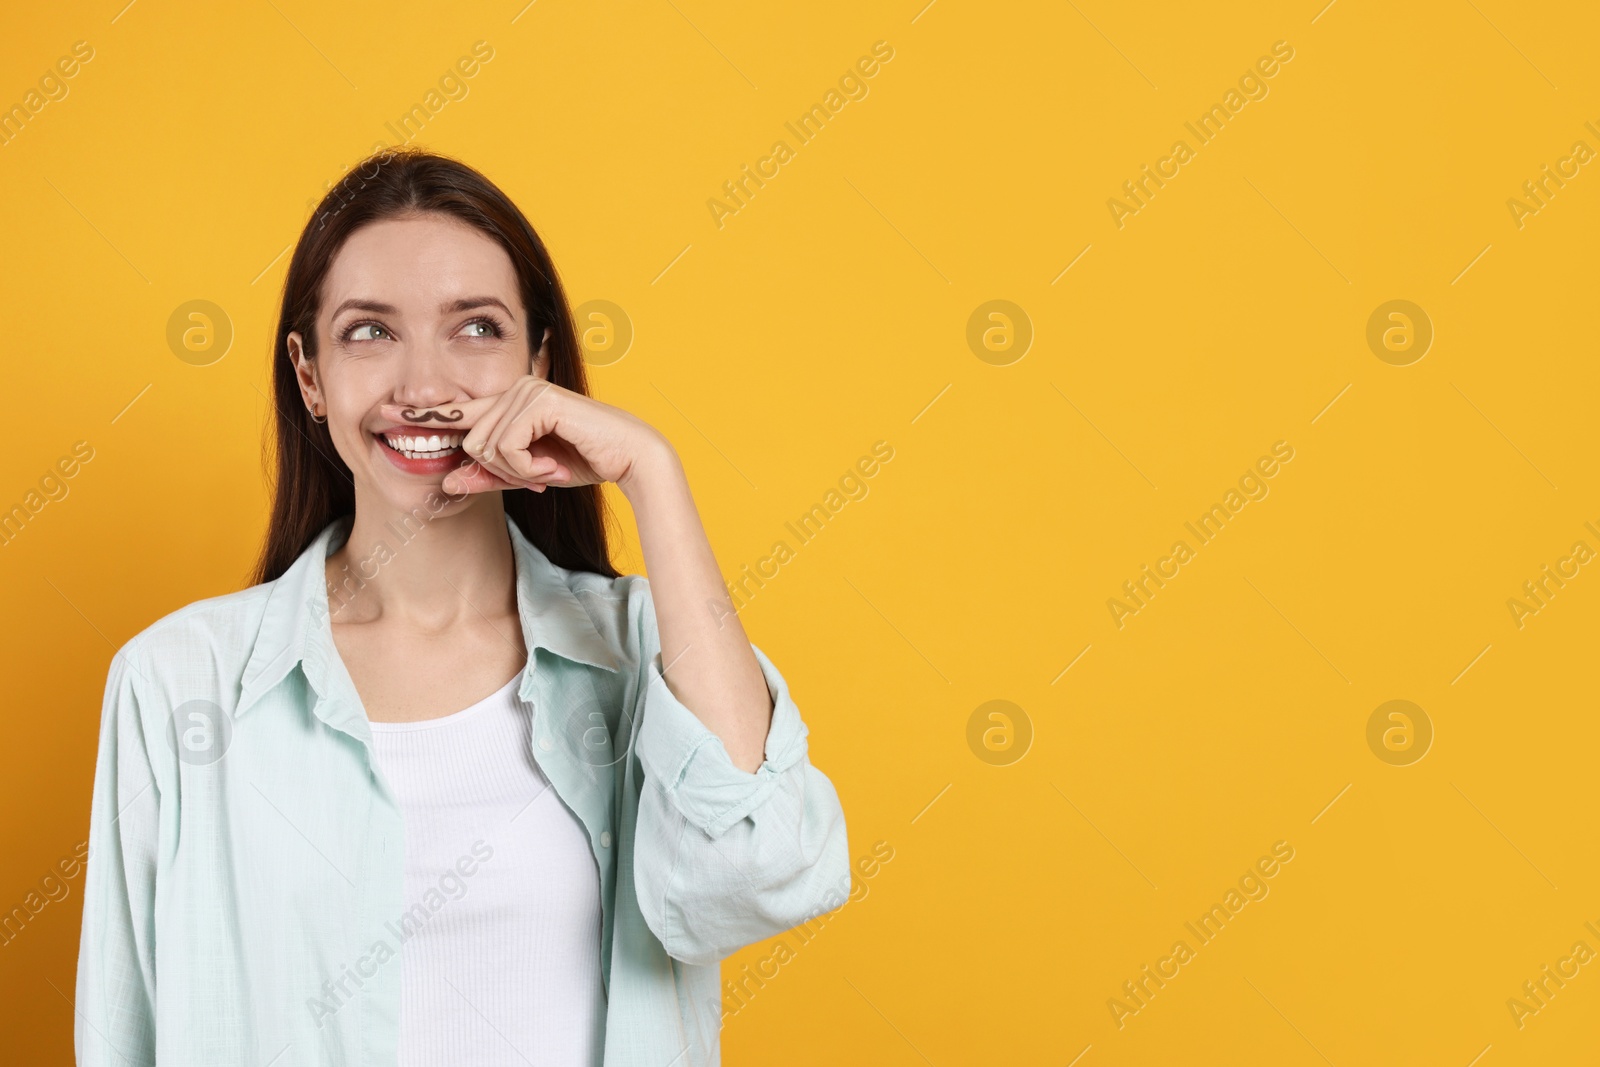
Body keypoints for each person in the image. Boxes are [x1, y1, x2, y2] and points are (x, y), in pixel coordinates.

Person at [74, 146, 851, 1066]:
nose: (425, 386)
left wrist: (654, 474)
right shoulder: (176, 683)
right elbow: (122, 1033)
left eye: (475, 328)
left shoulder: (647, 653)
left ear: (540, 363)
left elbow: (762, 874)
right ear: (310, 375)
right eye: (370, 331)